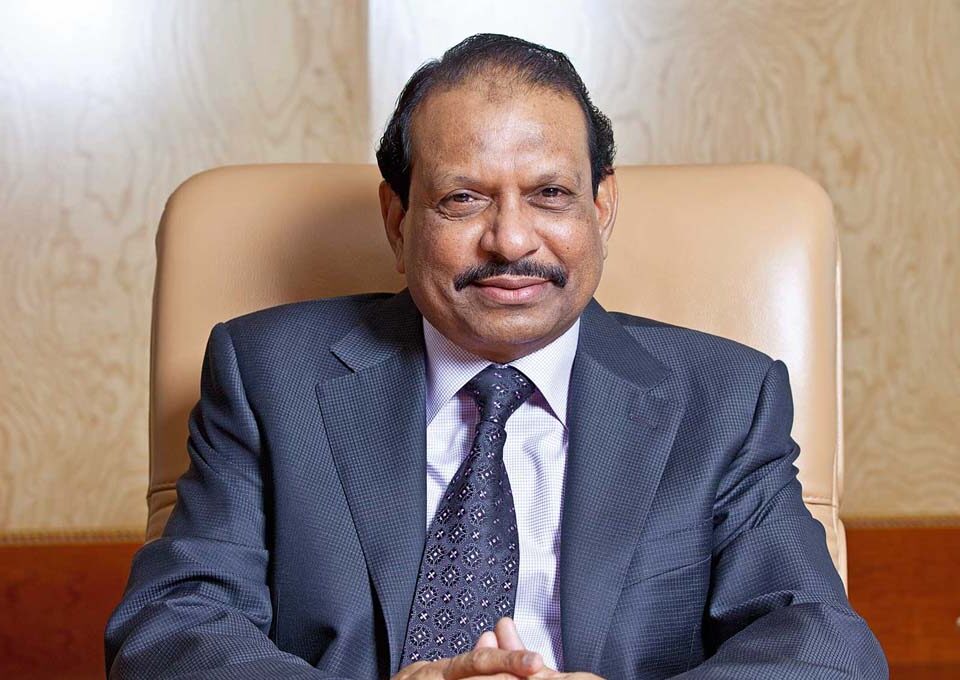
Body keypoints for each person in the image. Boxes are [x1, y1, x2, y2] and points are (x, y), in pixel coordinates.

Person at [105, 33, 886, 679]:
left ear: (602, 207)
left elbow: (822, 644)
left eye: (550, 194)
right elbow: (171, 626)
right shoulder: (269, 376)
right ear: (398, 219)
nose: (511, 240)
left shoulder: (724, 398)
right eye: (464, 199)